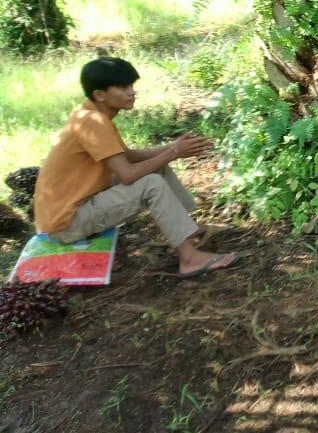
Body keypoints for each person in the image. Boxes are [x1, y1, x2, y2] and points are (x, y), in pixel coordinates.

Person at [33, 57, 241, 280]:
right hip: (67, 223)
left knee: (156, 169)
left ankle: (189, 229)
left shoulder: (88, 114)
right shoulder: (94, 121)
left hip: (68, 211)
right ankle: (189, 259)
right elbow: (128, 173)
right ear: (99, 95)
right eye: (123, 87)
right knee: (150, 183)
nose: (132, 92)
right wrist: (174, 152)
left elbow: (127, 157)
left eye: (132, 86)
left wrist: (173, 147)